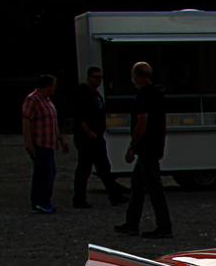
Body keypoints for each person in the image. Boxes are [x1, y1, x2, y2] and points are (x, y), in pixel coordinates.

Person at [117, 62, 170, 239]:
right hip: (154, 146)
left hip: (146, 148)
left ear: (136, 75)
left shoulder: (143, 96)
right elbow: (162, 122)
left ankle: (164, 226)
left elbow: (142, 122)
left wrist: (132, 146)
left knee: (153, 188)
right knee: (138, 185)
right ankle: (131, 223)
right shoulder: (157, 94)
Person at [72, 67, 126, 208]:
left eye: (100, 77)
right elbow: (79, 116)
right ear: (89, 78)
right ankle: (79, 199)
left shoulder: (96, 95)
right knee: (85, 169)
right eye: (95, 77)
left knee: (102, 167)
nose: (98, 80)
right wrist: (89, 132)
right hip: (87, 138)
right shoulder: (82, 93)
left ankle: (114, 195)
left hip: (96, 137)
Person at [21, 74, 68, 214]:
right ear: (47, 86)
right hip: (39, 143)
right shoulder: (33, 99)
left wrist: (61, 140)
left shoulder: (47, 101)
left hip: (49, 144)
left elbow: (52, 123)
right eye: (53, 85)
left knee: (49, 172)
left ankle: (44, 200)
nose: (55, 88)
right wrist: (29, 143)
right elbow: (26, 120)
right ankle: (39, 202)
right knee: (43, 173)